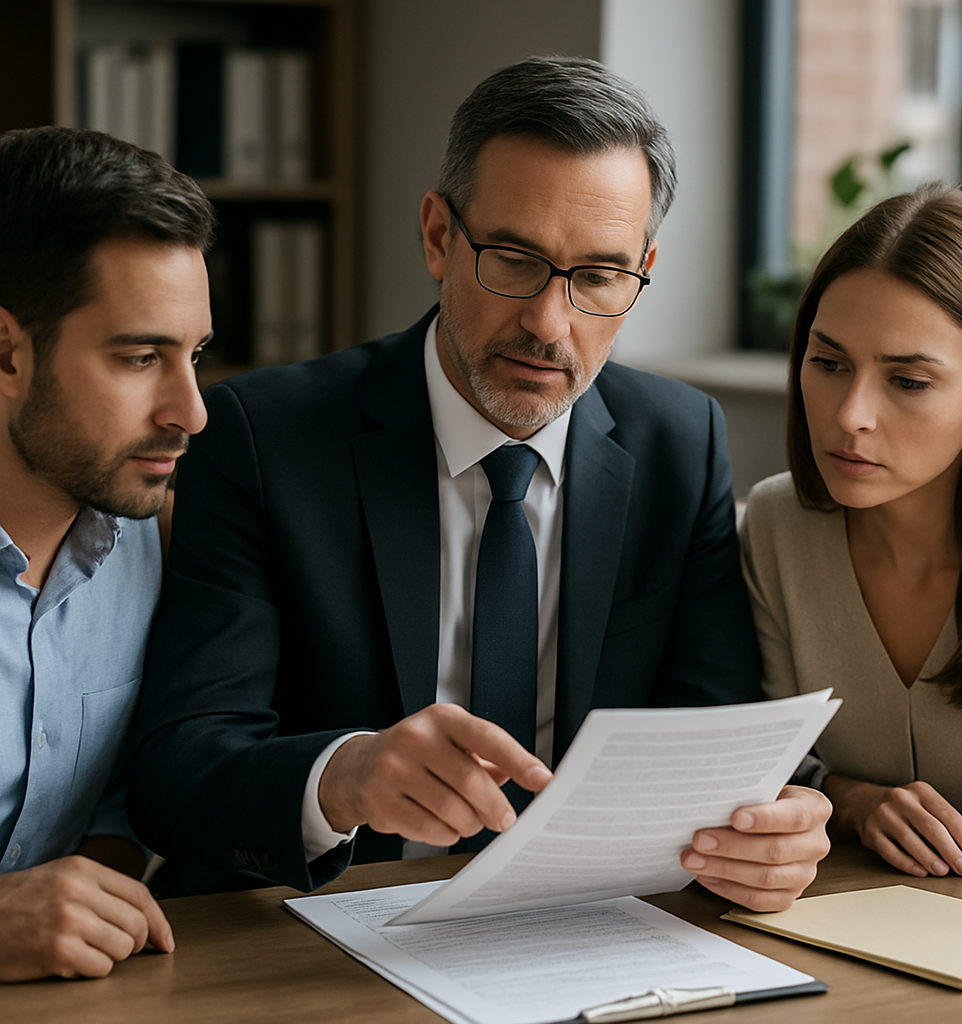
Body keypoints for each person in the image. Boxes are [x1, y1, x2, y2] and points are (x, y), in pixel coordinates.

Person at [128, 56, 830, 910]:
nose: (548, 323)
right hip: (317, 923)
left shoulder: (681, 445)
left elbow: (710, 744)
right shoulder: (262, 436)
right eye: (514, 259)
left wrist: (766, 834)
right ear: (437, 236)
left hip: (583, 925)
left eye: (599, 277)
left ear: (642, 270)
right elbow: (177, 770)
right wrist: (341, 778)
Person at [741, 183, 962, 880]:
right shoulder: (776, 527)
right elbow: (768, 762)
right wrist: (854, 804)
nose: (851, 415)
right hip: (836, 925)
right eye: (829, 364)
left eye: (909, 381)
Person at [0, 126, 215, 980]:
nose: (191, 411)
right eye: (140, 358)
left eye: (194, 355)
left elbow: (125, 801)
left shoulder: (155, 537)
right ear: (7, 353)